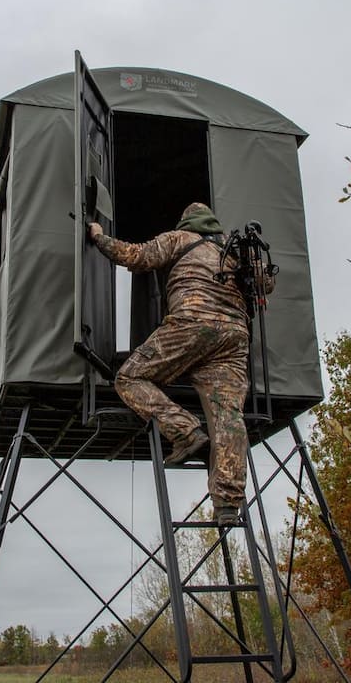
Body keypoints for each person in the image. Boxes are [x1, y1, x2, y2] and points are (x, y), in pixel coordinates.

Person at [88, 203, 273, 527]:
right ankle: (228, 504)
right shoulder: (233, 249)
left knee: (130, 378)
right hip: (233, 338)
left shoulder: (179, 239)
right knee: (228, 417)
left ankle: (183, 430)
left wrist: (100, 237)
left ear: (187, 221)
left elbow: (135, 257)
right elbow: (265, 284)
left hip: (192, 324)